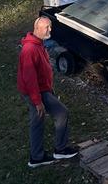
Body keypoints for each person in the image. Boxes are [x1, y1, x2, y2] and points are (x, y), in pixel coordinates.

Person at [17, 15, 79, 168]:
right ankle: (58, 150)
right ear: (37, 29)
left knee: (37, 121)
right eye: (47, 27)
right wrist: (37, 101)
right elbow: (30, 78)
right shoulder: (30, 49)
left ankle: (37, 156)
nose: (50, 30)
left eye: (50, 26)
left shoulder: (38, 44)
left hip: (42, 90)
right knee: (60, 113)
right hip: (36, 92)